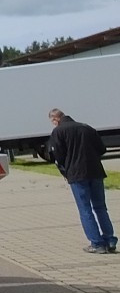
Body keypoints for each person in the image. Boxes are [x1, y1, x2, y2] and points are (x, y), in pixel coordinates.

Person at [47, 108, 117, 254]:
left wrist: (65, 170)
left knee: (85, 209)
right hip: (96, 171)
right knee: (100, 207)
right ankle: (110, 240)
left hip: (77, 174)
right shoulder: (87, 127)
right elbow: (102, 149)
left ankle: (97, 243)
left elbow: (58, 156)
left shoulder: (58, 131)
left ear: (55, 119)